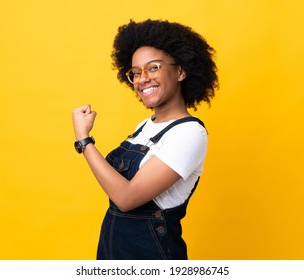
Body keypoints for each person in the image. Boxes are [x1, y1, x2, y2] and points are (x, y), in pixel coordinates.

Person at [72, 19, 219, 260]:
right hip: (113, 252)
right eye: (136, 73)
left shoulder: (190, 133)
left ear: (180, 71)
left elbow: (126, 198)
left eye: (153, 68)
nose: (142, 79)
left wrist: (84, 140)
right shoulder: (144, 127)